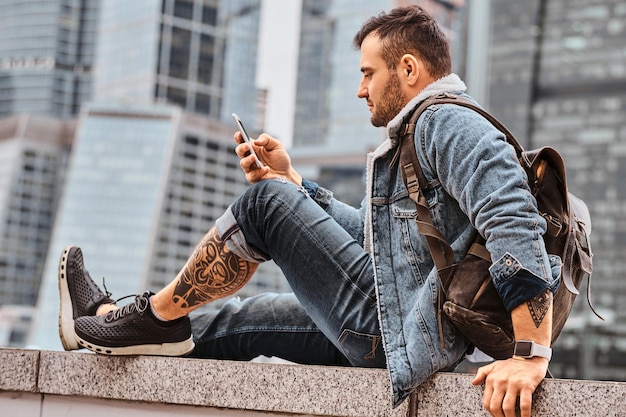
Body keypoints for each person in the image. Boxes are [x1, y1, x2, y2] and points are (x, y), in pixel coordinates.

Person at [57, 6, 560, 417]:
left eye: (368, 73)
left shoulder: (446, 122)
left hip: (407, 335)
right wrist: (294, 183)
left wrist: (529, 355)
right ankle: (106, 324)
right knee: (241, 320)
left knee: (264, 205)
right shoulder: (416, 134)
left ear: (408, 69)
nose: (360, 89)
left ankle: (152, 316)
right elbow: (369, 239)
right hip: (395, 317)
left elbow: (513, 219)